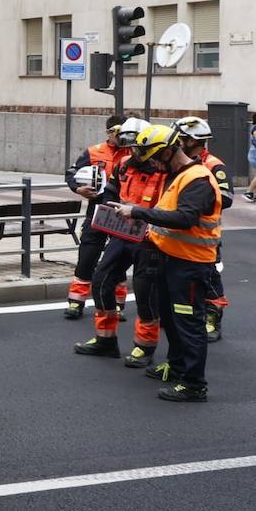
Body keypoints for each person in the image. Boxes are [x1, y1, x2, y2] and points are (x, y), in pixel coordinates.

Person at [107, 124, 222, 402]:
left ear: (170, 151)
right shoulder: (177, 175)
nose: (155, 165)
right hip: (172, 260)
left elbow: (185, 219)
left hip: (191, 265)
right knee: (171, 319)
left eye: (156, 158)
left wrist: (138, 212)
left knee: (189, 324)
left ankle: (194, 385)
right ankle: (177, 365)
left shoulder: (197, 179)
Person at [75, 117, 167, 362]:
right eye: (129, 146)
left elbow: (169, 207)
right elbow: (111, 192)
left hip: (151, 239)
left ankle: (145, 348)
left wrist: (138, 211)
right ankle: (106, 340)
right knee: (101, 280)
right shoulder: (124, 165)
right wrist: (110, 209)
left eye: (135, 146)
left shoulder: (163, 169)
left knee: (146, 292)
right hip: (124, 234)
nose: (131, 151)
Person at [62, 115, 130, 319]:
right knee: (87, 256)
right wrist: (78, 188)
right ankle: (76, 303)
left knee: (117, 259)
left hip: (123, 213)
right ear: (109, 133)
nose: (122, 138)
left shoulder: (133, 153)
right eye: (117, 133)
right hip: (98, 209)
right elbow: (71, 174)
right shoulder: (93, 151)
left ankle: (118, 305)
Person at [173, 116, 232, 342]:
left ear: (192, 141)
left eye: (180, 139)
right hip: (179, 235)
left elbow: (226, 198)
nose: (177, 143)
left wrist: (193, 200)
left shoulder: (214, 165)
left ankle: (212, 320)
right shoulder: (179, 163)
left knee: (210, 279)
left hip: (205, 237)